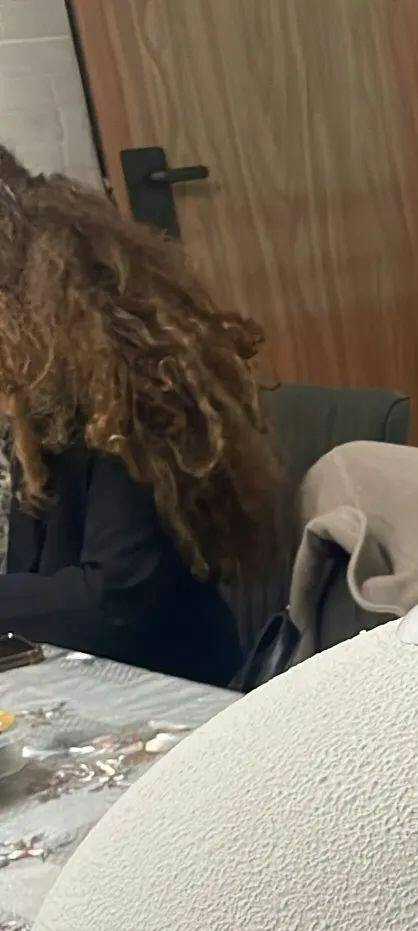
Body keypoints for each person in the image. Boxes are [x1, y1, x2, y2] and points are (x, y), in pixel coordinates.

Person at [0, 147, 280, 684]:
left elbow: (114, 601)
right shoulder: (26, 385)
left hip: (160, 689)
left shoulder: (128, 392)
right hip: (54, 672)